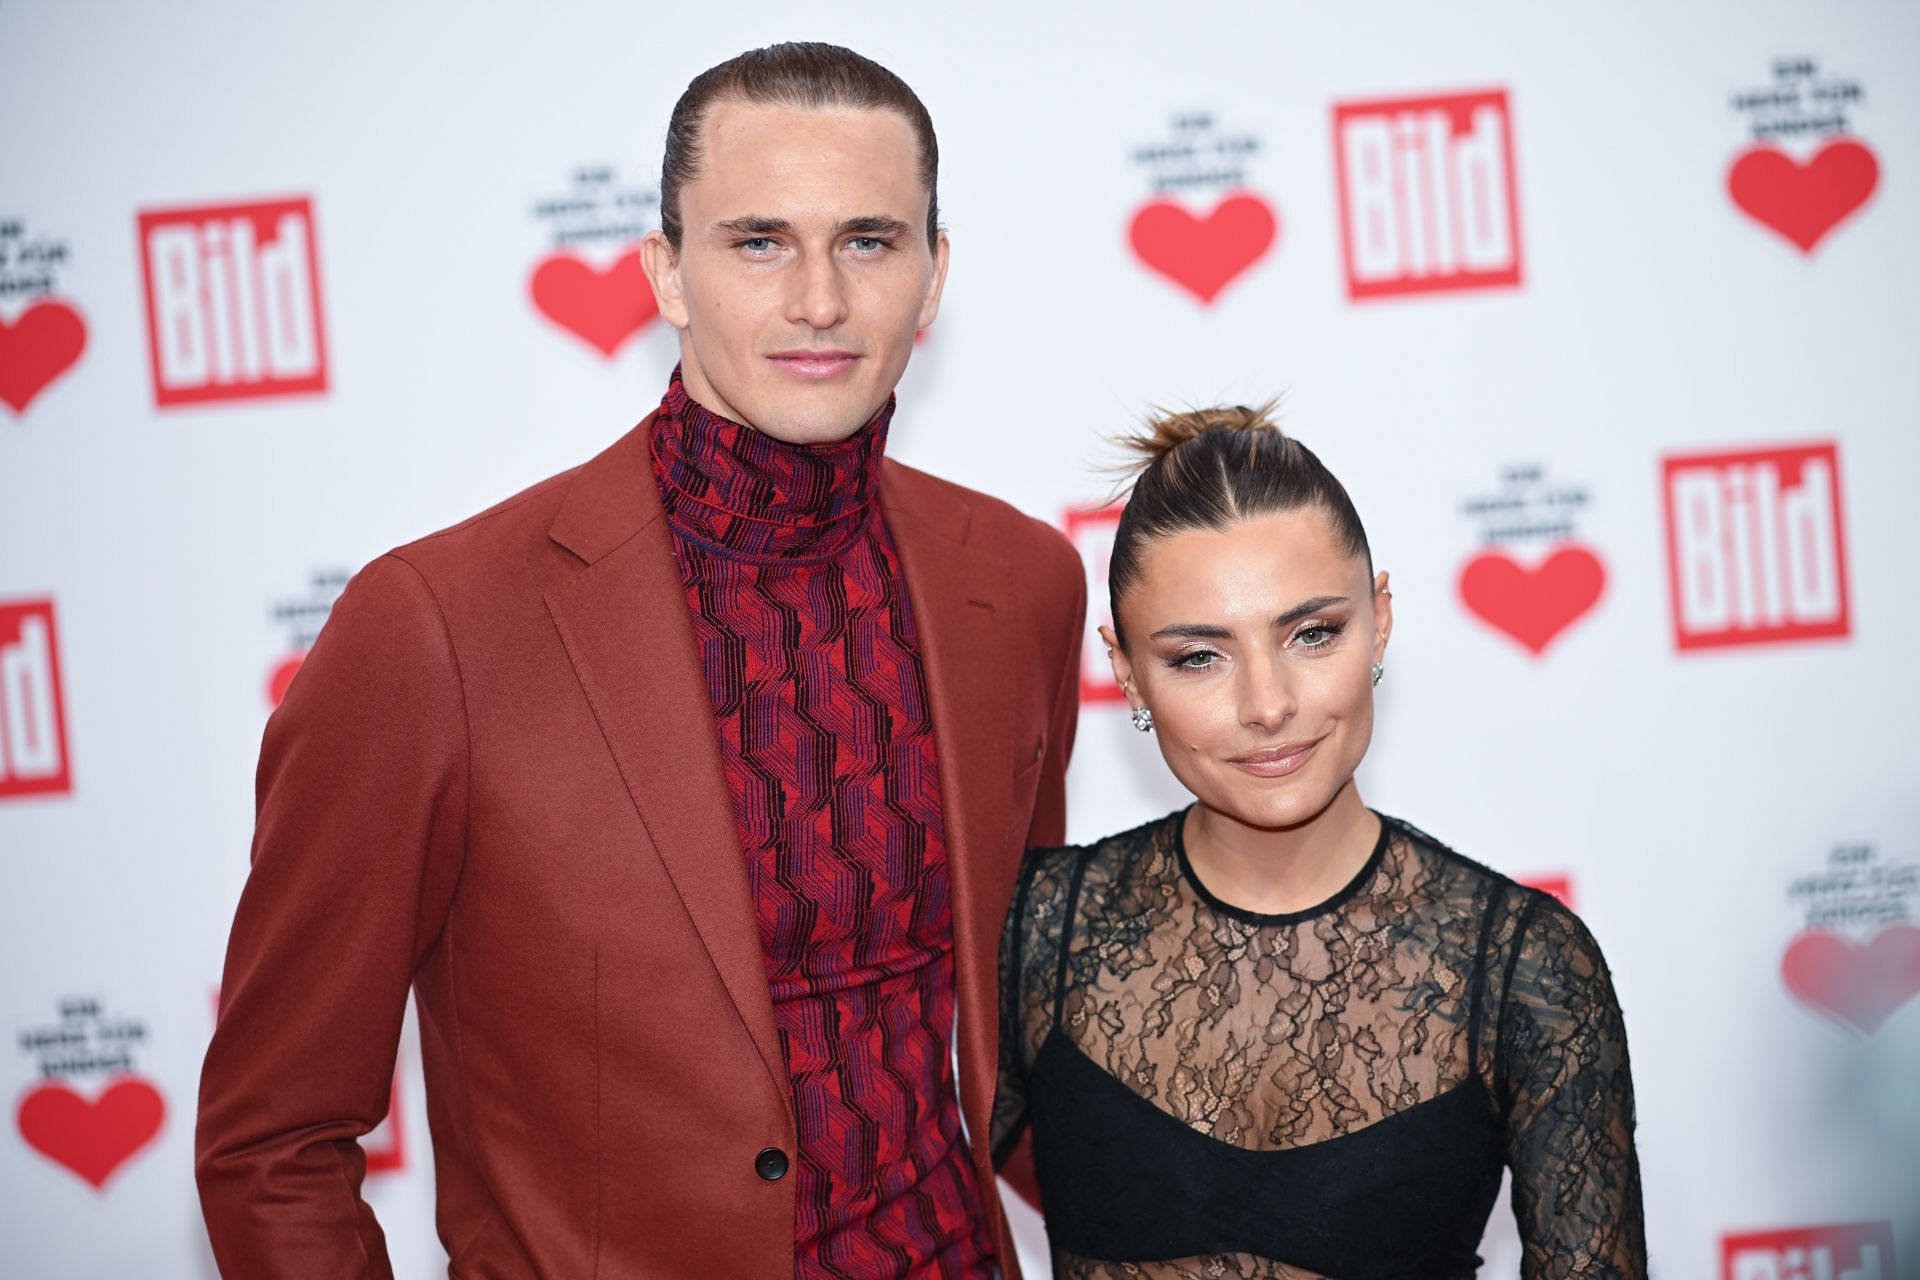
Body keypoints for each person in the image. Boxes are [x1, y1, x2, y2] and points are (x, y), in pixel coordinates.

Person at [197, 43, 1085, 1279]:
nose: (819, 299)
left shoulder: (1021, 580)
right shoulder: (434, 627)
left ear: (935, 277)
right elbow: (273, 1135)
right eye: (759, 241)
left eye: (871, 241)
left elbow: (1031, 1033)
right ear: (666, 272)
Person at [991, 406, 1645, 1279]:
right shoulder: (1040, 929)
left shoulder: (1525, 968)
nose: (1268, 705)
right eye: (1199, 657)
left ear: (1379, 618)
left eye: (1311, 634)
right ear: (1124, 670)